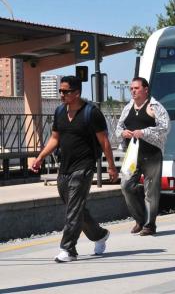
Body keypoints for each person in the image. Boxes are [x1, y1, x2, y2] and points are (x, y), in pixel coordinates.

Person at [30, 76, 118, 263]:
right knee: (75, 208)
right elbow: (55, 139)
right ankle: (100, 235)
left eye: (65, 91)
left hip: (84, 167)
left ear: (77, 93)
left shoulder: (91, 113)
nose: (61, 94)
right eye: (60, 91)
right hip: (65, 167)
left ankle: (68, 249)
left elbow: (104, 141)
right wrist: (40, 157)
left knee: (73, 210)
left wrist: (111, 166)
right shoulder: (60, 111)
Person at [115, 77, 170, 236]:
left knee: (151, 191)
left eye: (136, 88)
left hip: (152, 154)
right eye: (131, 88)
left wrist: (144, 132)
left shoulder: (155, 106)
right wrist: (123, 133)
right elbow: (118, 128)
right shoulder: (128, 107)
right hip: (132, 154)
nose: (133, 91)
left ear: (145, 89)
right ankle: (140, 219)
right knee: (126, 185)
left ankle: (149, 225)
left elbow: (165, 127)